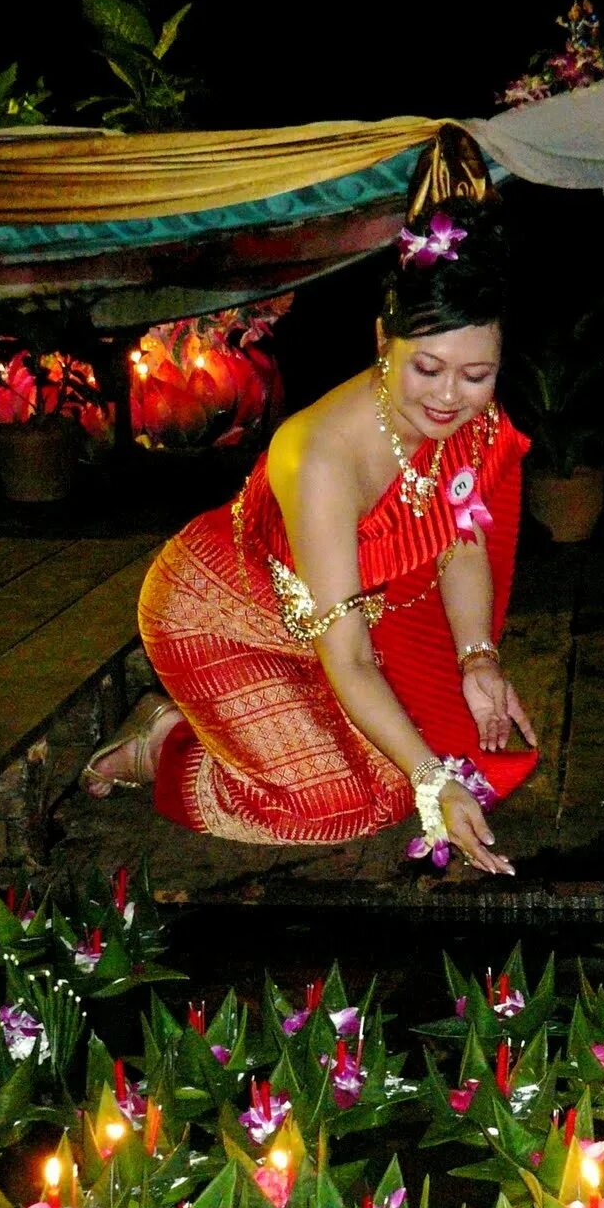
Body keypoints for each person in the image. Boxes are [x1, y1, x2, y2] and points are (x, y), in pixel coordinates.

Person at [81, 128, 539, 875]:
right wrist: (433, 781)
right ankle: (161, 741)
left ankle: (237, 733)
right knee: (338, 807)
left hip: (330, 627)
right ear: (382, 339)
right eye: (428, 367)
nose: (451, 397)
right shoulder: (321, 454)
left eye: (477, 374)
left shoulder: (468, 417)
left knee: (402, 782)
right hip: (218, 618)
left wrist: (477, 658)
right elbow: (351, 655)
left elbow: (460, 535)